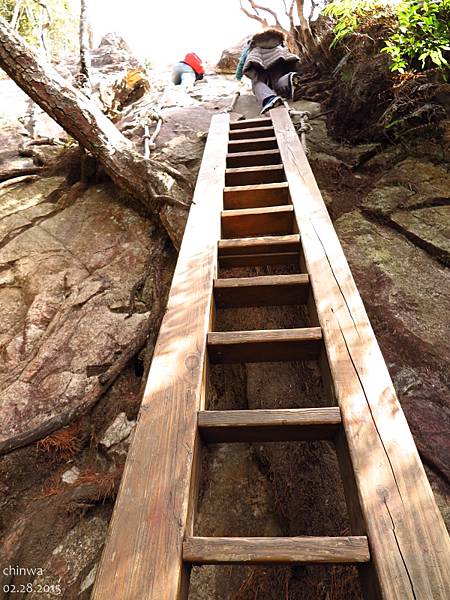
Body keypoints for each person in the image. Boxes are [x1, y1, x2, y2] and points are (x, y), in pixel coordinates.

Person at [236, 29, 301, 114]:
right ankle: (288, 79)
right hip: (277, 60)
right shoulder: (278, 41)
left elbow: (242, 61)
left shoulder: (252, 43)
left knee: (257, 83)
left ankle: (269, 98)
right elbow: (287, 53)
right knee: (277, 80)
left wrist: (238, 76)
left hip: (258, 64)